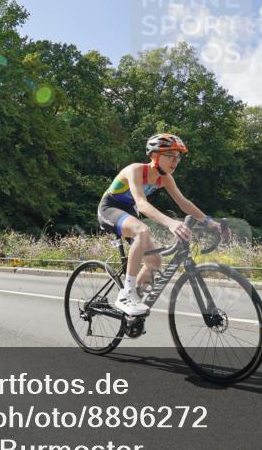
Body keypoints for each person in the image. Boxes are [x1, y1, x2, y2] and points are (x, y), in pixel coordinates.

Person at [97, 133, 228, 316]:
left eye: (178, 157)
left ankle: (131, 307)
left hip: (129, 213)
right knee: (143, 230)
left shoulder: (165, 178)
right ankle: (126, 294)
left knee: (155, 261)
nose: (175, 161)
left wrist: (210, 222)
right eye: (169, 156)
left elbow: (184, 203)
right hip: (110, 208)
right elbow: (141, 204)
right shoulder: (135, 170)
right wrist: (171, 223)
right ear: (154, 155)